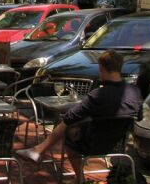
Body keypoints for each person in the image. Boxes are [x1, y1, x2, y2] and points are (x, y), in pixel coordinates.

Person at [16, 50, 142, 181]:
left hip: (92, 145)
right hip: (119, 144)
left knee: (68, 128)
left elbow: (71, 115)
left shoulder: (99, 95)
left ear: (102, 68)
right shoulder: (135, 92)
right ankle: (38, 150)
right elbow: (139, 116)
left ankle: (79, 177)